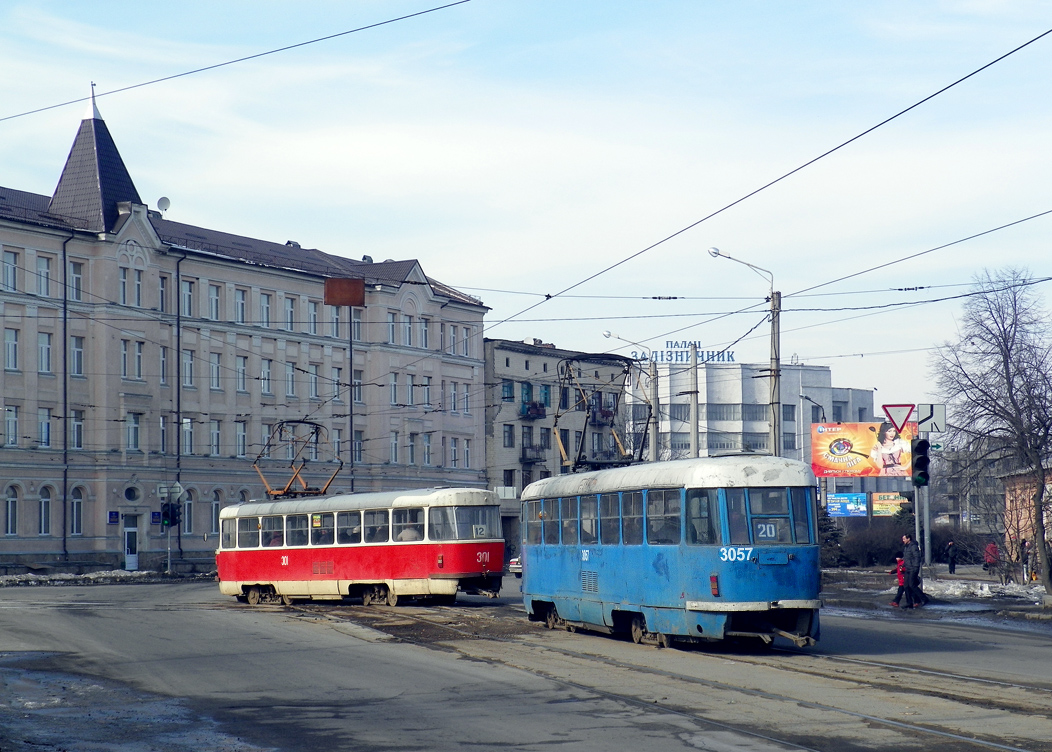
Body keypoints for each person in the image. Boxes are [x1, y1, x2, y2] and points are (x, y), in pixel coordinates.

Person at [901, 533, 928, 608]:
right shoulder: (906, 547)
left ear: (908, 539)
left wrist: (916, 567)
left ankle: (924, 598)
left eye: (904, 539)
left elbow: (917, 557)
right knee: (906, 585)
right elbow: (907, 558)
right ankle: (909, 602)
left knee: (912, 585)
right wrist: (903, 565)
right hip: (907, 568)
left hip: (913, 568)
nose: (903, 540)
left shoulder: (913, 546)